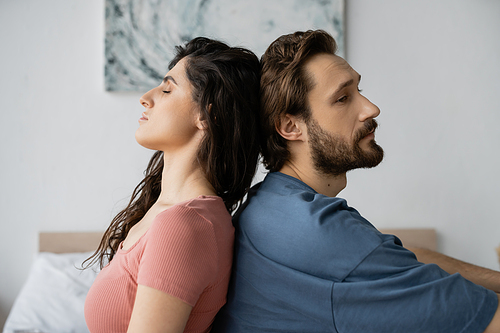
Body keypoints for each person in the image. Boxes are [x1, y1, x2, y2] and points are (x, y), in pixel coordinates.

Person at [212, 30, 500, 332]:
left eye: (359, 90)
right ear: (290, 126)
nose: (371, 108)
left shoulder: (271, 202)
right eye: (343, 98)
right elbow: (488, 319)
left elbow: (390, 253)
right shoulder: (325, 233)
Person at [83, 37, 261, 333]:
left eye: (167, 89)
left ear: (207, 114)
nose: (146, 97)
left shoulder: (185, 224)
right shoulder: (169, 213)